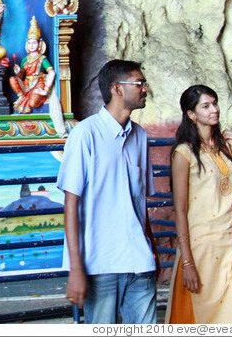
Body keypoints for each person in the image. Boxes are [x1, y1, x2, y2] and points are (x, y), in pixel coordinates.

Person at [57, 60, 158, 324]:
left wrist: (152, 248)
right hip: (100, 264)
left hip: (139, 260)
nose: (145, 88)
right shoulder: (85, 134)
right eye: (139, 83)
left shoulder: (141, 137)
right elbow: (71, 204)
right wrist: (75, 268)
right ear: (117, 89)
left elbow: (140, 201)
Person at [165, 85, 232, 324]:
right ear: (191, 114)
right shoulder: (184, 153)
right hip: (202, 249)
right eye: (206, 106)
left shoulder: (224, 147)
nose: (214, 109)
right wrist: (188, 263)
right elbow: (179, 210)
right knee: (206, 318)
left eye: (215, 103)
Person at [9, 16, 67, 137]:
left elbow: (51, 72)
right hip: (26, 84)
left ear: (40, 44)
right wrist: (18, 71)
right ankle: (21, 98)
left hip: (38, 84)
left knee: (33, 102)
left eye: (34, 42)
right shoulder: (25, 59)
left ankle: (29, 100)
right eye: (29, 43)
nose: (31, 45)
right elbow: (22, 75)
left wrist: (45, 90)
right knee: (12, 80)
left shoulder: (42, 59)